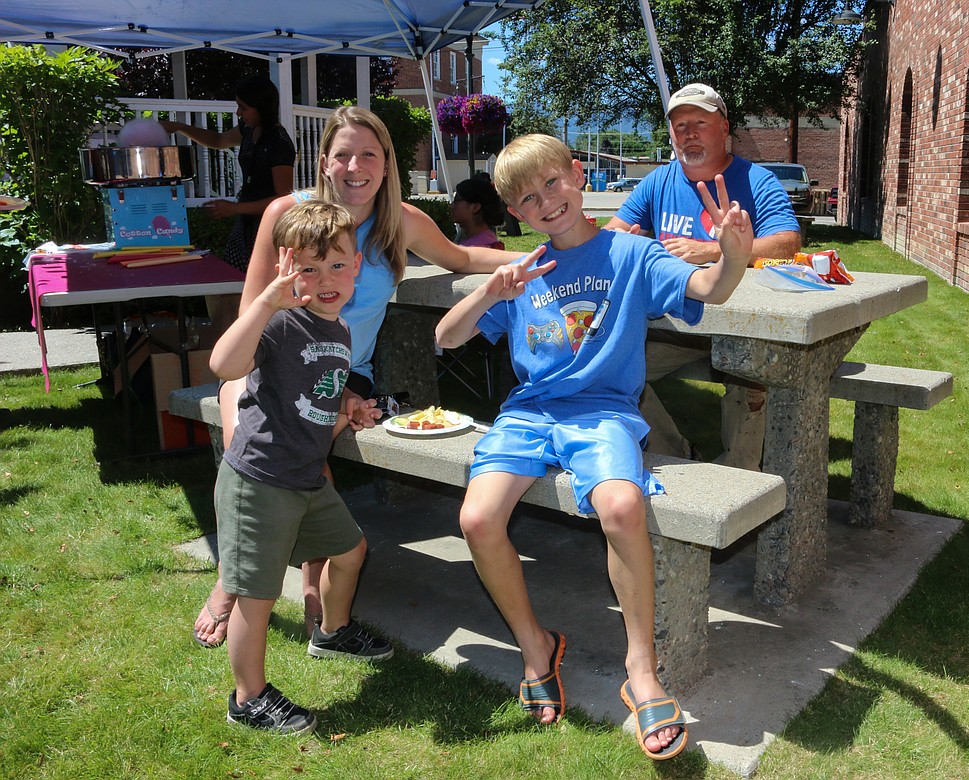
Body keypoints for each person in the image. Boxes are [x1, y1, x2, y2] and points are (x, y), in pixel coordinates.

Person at [434, 134, 755, 760]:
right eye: (528, 199)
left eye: (552, 183)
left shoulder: (632, 254)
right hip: (528, 416)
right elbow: (447, 338)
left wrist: (734, 256)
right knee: (476, 518)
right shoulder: (524, 272)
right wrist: (491, 291)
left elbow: (710, 288)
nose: (546, 202)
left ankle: (641, 669)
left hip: (603, 412)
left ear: (577, 176)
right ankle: (537, 647)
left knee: (622, 507)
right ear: (517, 214)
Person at [191, 105, 521, 648]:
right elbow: (252, 310)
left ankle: (314, 605)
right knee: (259, 452)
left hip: (347, 374)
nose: (355, 166)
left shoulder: (401, 222)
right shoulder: (287, 214)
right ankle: (241, 577)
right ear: (324, 162)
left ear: (387, 165)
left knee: (309, 459)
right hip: (268, 368)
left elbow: (461, 258)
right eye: (342, 154)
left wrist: (537, 256)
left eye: (369, 154)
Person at [211, 200, 392, 735]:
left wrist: (348, 411)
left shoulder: (338, 334)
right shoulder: (282, 324)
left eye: (337, 265)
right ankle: (249, 697)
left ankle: (332, 631)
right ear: (288, 269)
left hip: (306, 479)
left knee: (351, 549)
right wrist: (266, 302)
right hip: (259, 481)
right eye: (309, 269)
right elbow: (224, 366)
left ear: (357, 265)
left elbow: (313, 403)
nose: (326, 279)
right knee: (258, 595)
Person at [606, 83, 802, 470]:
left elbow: (788, 243)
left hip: (740, 325)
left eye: (700, 122)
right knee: (610, 365)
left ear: (725, 129)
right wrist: (617, 241)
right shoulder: (658, 181)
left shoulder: (757, 180)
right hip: (671, 324)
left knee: (752, 380)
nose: (689, 133)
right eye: (680, 126)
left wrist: (717, 250)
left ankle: (739, 484)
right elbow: (615, 231)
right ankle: (679, 458)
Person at [161, 73, 296, 273]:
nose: (238, 113)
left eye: (243, 107)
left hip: (270, 230)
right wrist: (180, 128)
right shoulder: (248, 130)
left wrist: (236, 208)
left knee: (256, 284)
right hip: (246, 225)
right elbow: (218, 141)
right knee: (232, 279)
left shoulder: (279, 142)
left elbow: (284, 200)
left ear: (262, 107)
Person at [452, 176, 506, 250]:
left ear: (475, 207)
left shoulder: (472, 249)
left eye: (456, 200)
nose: (451, 205)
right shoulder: (489, 241)